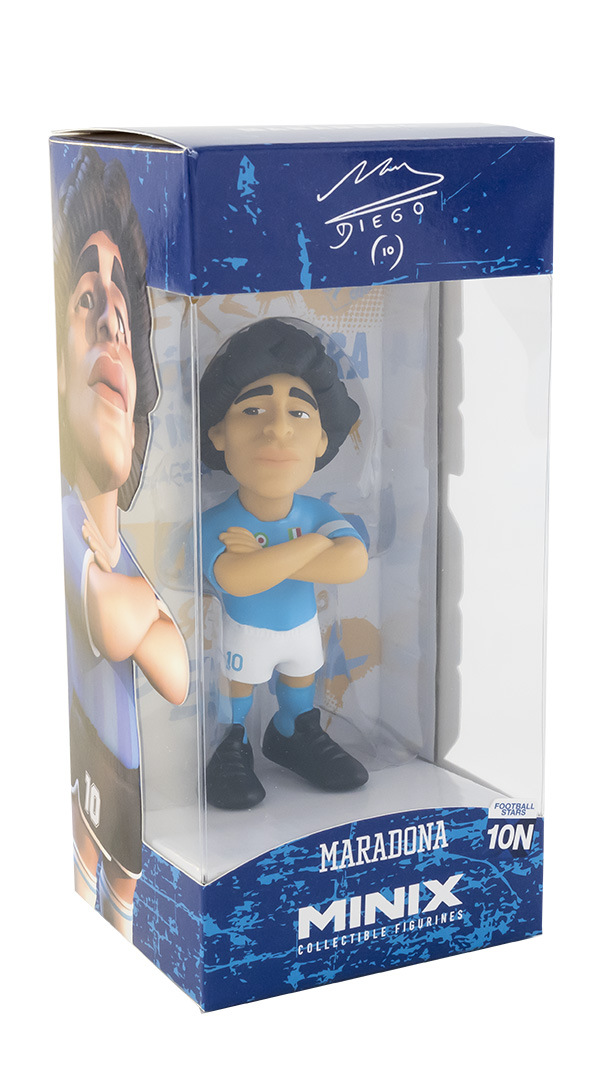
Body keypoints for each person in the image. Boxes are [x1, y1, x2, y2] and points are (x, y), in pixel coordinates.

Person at [54, 148, 189, 931]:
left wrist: (135, 606)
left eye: (124, 315)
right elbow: (113, 623)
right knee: (82, 884)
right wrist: (142, 611)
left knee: (125, 910)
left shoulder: (120, 551)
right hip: (83, 766)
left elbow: (175, 674)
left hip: (130, 776)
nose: (111, 317)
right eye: (85, 299)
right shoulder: (58, 517)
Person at [200, 318, 369, 810]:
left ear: (321, 441)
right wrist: (313, 548)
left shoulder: (316, 513)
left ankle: (293, 731)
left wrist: (268, 560)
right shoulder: (219, 520)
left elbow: (352, 562)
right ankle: (230, 742)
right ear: (218, 433)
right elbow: (236, 578)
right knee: (237, 689)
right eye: (252, 410)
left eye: (298, 412)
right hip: (243, 634)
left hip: (300, 631)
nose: (277, 428)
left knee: (300, 681)